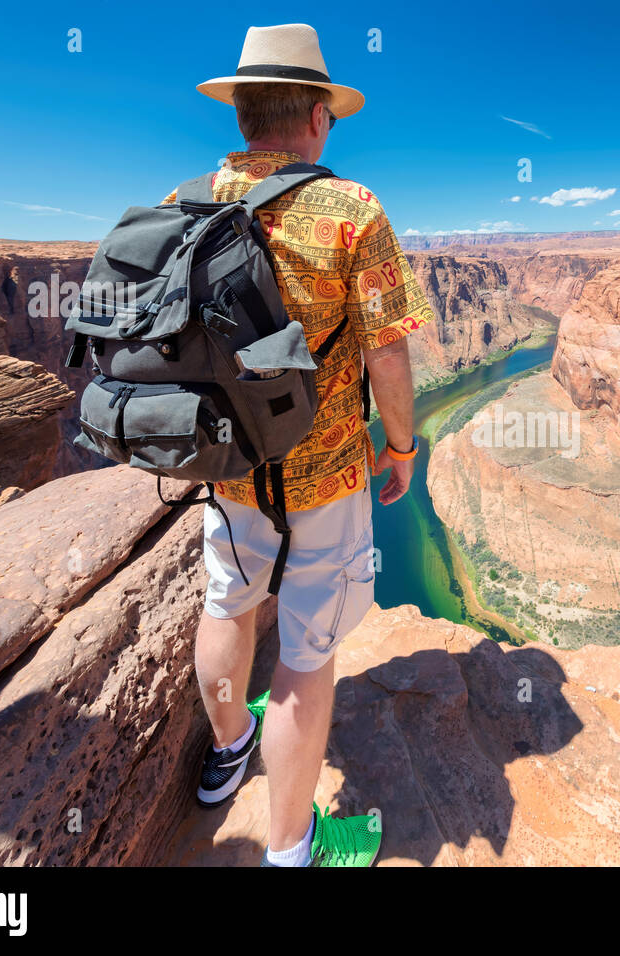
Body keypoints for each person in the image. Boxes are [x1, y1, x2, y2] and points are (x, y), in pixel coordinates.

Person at [162, 23, 433, 867]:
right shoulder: (353, 210)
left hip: (224, 466)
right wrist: (401, 448)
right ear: (318, 116)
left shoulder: (184, 203)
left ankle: (227, 752)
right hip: (325, 476)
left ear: (243, 113)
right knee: (307, 658)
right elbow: (388, 352)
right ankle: (292, 847)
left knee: (226, 605)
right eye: (330, 118)